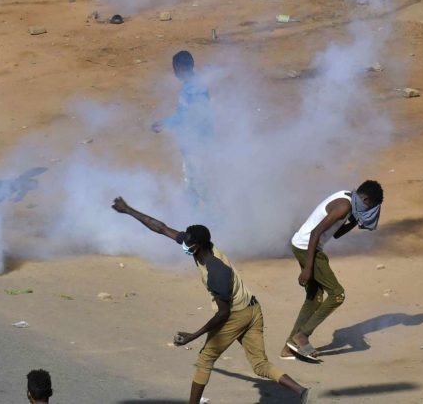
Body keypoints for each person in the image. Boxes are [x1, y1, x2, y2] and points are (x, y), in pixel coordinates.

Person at [111, 196, 311, 404]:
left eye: (187, 244)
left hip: (236, 315)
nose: (183, 246)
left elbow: (223, 313)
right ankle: (302, 392)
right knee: (259, 364)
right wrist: (128, 210)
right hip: (253, 309)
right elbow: (161, 228)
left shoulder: (216, 271)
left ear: (197, 246)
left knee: (205, 359)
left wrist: (193, 336)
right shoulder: (204, 247)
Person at [281, 180, 384, 362]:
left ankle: (289, 348)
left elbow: (336, 233)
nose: (370, 212)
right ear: (366, 199)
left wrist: (354, 221)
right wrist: (308, 268)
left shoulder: (349, 202)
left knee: (314, 297)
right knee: (337, 294)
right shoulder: (343, 206)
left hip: (303, 246)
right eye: (371, 207)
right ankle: (302, 336)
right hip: (308, 248)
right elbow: (315, 233)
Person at [151, 51, 212, 205]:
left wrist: (165, 123)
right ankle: (194, 216)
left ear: (181, 68)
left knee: (201, 184)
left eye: (175, 68)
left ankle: (218, 217)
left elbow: (188, 117)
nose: (174, 72)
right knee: (190, 183)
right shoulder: (191, 85)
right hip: (191, 144)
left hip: (198, 145)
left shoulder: (195, 89)